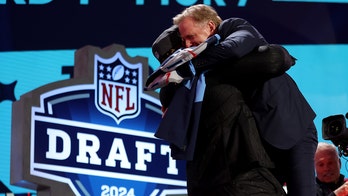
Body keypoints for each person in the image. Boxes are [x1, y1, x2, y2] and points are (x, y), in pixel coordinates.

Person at [151, 4, 318, 196]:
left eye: (190, 37)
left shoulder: (233, 27)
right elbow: (167, 93)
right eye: (183, 41)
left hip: (291, 127)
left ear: (211, 27)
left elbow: (236, 51)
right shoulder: (199, 73)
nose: (187, 46)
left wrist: (187, 69)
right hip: (262, 144)